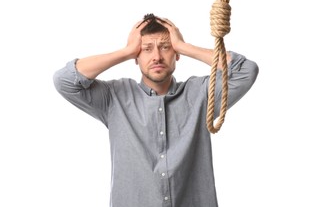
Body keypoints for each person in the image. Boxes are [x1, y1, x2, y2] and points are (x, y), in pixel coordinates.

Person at [53, 13, 259, 207]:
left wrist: (184, 46)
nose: (157, 56)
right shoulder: (114, 97)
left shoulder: (201, 94)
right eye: (147, 49)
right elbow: (65, 80)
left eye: (165, 47)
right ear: (136, 56)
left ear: (176, 54)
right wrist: (125, 51)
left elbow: (246, 70)